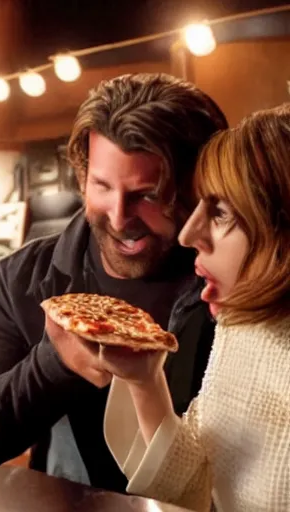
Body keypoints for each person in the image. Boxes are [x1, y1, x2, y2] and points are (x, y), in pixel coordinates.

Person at [0, 73, 229, 492]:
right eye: (102, 186)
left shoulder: (229, 279)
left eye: (147, 195)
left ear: (195, 187)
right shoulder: (23, 278)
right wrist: (54, 366)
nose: (119, 217)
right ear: (82, 176)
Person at [102, 103, 290, 511]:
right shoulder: (241, 326)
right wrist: (145, 381)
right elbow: (194, 486)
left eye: (220, 211)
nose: (189, 234)